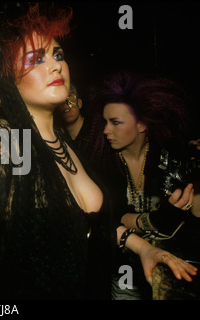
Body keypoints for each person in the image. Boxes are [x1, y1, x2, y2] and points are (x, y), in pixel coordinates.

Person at [0, 3, 197, 299]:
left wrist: (145, 249)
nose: (56, 65)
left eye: (58, 55)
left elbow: (83, 228)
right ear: (9, 79)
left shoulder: (66, 143)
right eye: (36, 60)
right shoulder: (6, 139)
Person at [89, 71, 200, 299]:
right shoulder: (99, 162)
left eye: (115, 122)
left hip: (172, 265)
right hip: (123, 267)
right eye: (105, 121)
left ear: (141, 125)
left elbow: (196, 211)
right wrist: (156, 219)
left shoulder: (168, 155)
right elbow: (109, 220)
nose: (106, 130)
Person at [55, 83, 91, 157]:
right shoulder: (58, 141)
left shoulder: (99, 136)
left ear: (79, 103)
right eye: (60, 102)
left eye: (70, 98)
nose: (65, 105)